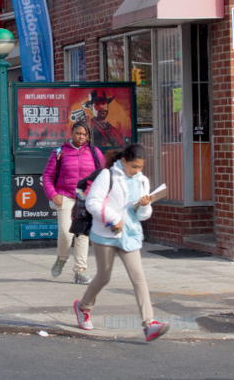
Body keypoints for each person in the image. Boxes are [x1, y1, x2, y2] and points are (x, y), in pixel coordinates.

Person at [73, 143, 169, 342]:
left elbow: (142, 215)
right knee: (103, 276)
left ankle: (149, 323)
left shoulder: (142, 181)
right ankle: (83, 306)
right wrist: (112, 219)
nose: (137, 171)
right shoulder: (108, 175)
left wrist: (144, 206)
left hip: (130, 234)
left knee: (138, 278)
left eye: (140, 167)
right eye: (134, 166)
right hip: (105, 235)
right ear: (123, 161)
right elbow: (92, 202)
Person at [42, 121, 105, 285]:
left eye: (84, 135)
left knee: (82, 234)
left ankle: (80, 271)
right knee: (65, 231)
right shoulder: (60, 152)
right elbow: (47, 176)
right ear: (72, 133)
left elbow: (103, 175)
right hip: (65, 196)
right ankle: (62, 258)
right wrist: (52, 194)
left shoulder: (94, 152)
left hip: (85, 197)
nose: (81, 137)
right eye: (78, 134)